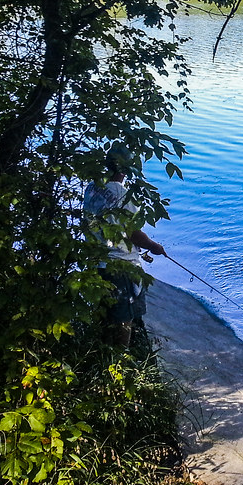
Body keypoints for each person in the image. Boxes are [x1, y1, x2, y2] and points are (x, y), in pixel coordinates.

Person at [83, 145, 166, 347]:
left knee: (104, 314)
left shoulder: (92, 187)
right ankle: (119, 361)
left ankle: (102, 353)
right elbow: (133, 234)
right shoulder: (123, 195)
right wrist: (154, 246)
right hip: (120, 266)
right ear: (126, 169)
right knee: (123, 319)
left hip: (95, 261)